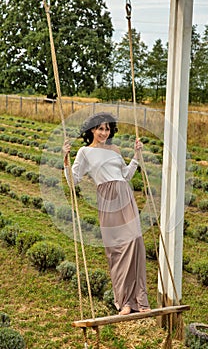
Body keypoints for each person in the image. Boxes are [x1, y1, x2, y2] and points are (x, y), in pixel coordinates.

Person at [63, 112, 150, 315]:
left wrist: (136, 156)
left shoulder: (115, 149)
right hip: (107, 198)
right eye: (100, 128)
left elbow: (126, 176)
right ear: (92, 130)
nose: (104, 132)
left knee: (136, 243)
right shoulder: (85, 152)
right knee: (118, 250)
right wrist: (65, 159)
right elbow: (73, 181)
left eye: (107, 128)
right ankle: (125, 302)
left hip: (125, 195)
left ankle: (141, 300)